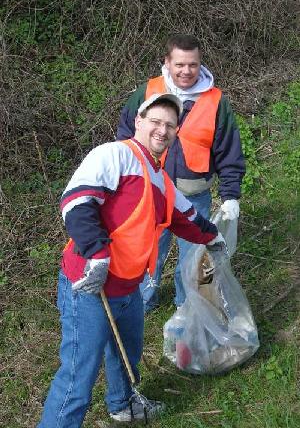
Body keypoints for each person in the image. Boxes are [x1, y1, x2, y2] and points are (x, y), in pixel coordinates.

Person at [37, 93, 225, 427]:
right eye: (155, 121)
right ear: (138, 122)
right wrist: (96, 254)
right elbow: (76, 202)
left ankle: (123, 405)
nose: (161, 130)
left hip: (127, 287)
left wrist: (213, 236)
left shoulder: (161, 180)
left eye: (169, 125)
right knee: (79, 375)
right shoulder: (114, 155)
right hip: (89, 285)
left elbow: (188, 217)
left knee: (127, 356)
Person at [117, 33, 245, 313]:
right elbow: (125, 137)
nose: (186, 71)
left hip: (194, 196)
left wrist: (230, 195)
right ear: (167, 62)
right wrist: (124, 182)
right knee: (147, 252)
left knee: (192, 258)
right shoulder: (147, 92)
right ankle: (141, 304)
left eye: (193, 65)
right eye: (179, 64)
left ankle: (186, 308)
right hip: (150, 194)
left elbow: (228, 150)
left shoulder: (216, 101)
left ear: (200, 64)